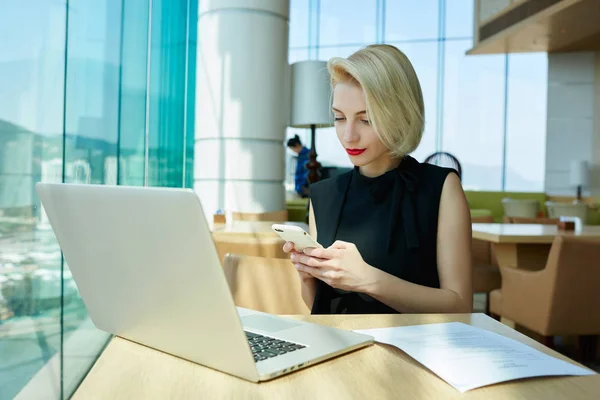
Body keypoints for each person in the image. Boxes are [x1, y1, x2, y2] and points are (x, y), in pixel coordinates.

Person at [283, 44, 473, 314]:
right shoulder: (324, 195)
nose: (348, 136)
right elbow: (321, 307)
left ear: (400, 114)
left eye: (366, 120)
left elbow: (460, 305)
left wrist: (369, 280)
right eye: (339, 117)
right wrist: (308, 275)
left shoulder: (441, 187)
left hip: (415, 351)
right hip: (344, 347)